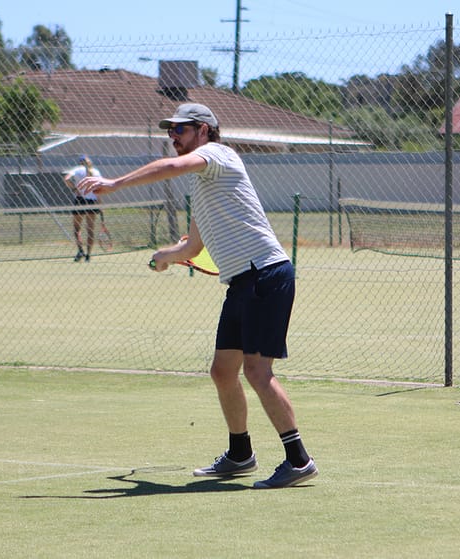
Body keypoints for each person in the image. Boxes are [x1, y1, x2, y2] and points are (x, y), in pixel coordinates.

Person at [78, 103, 318, 489]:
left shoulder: (219, 155)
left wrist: (114, 185)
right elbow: (193, 246)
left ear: (204, 130)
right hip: (241, 282)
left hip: (267, 274)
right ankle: (240, 454)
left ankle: (298, 459)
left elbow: (170, 168)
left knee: (257, 372)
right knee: (223, 372)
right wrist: (167, 258)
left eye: (181, 130)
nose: (173, 137)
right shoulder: (202, 184)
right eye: (170, 131)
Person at [63, 155, 102, 262]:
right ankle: (88, 256)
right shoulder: (96, 172)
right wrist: (100, 203)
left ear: (80, 162)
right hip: (92, 201)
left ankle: (81, 250)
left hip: (80, 200)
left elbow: (66, 178)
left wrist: (75, 188)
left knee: (77, 228)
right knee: (90, 229)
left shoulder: (77, 169)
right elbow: (99, 188)